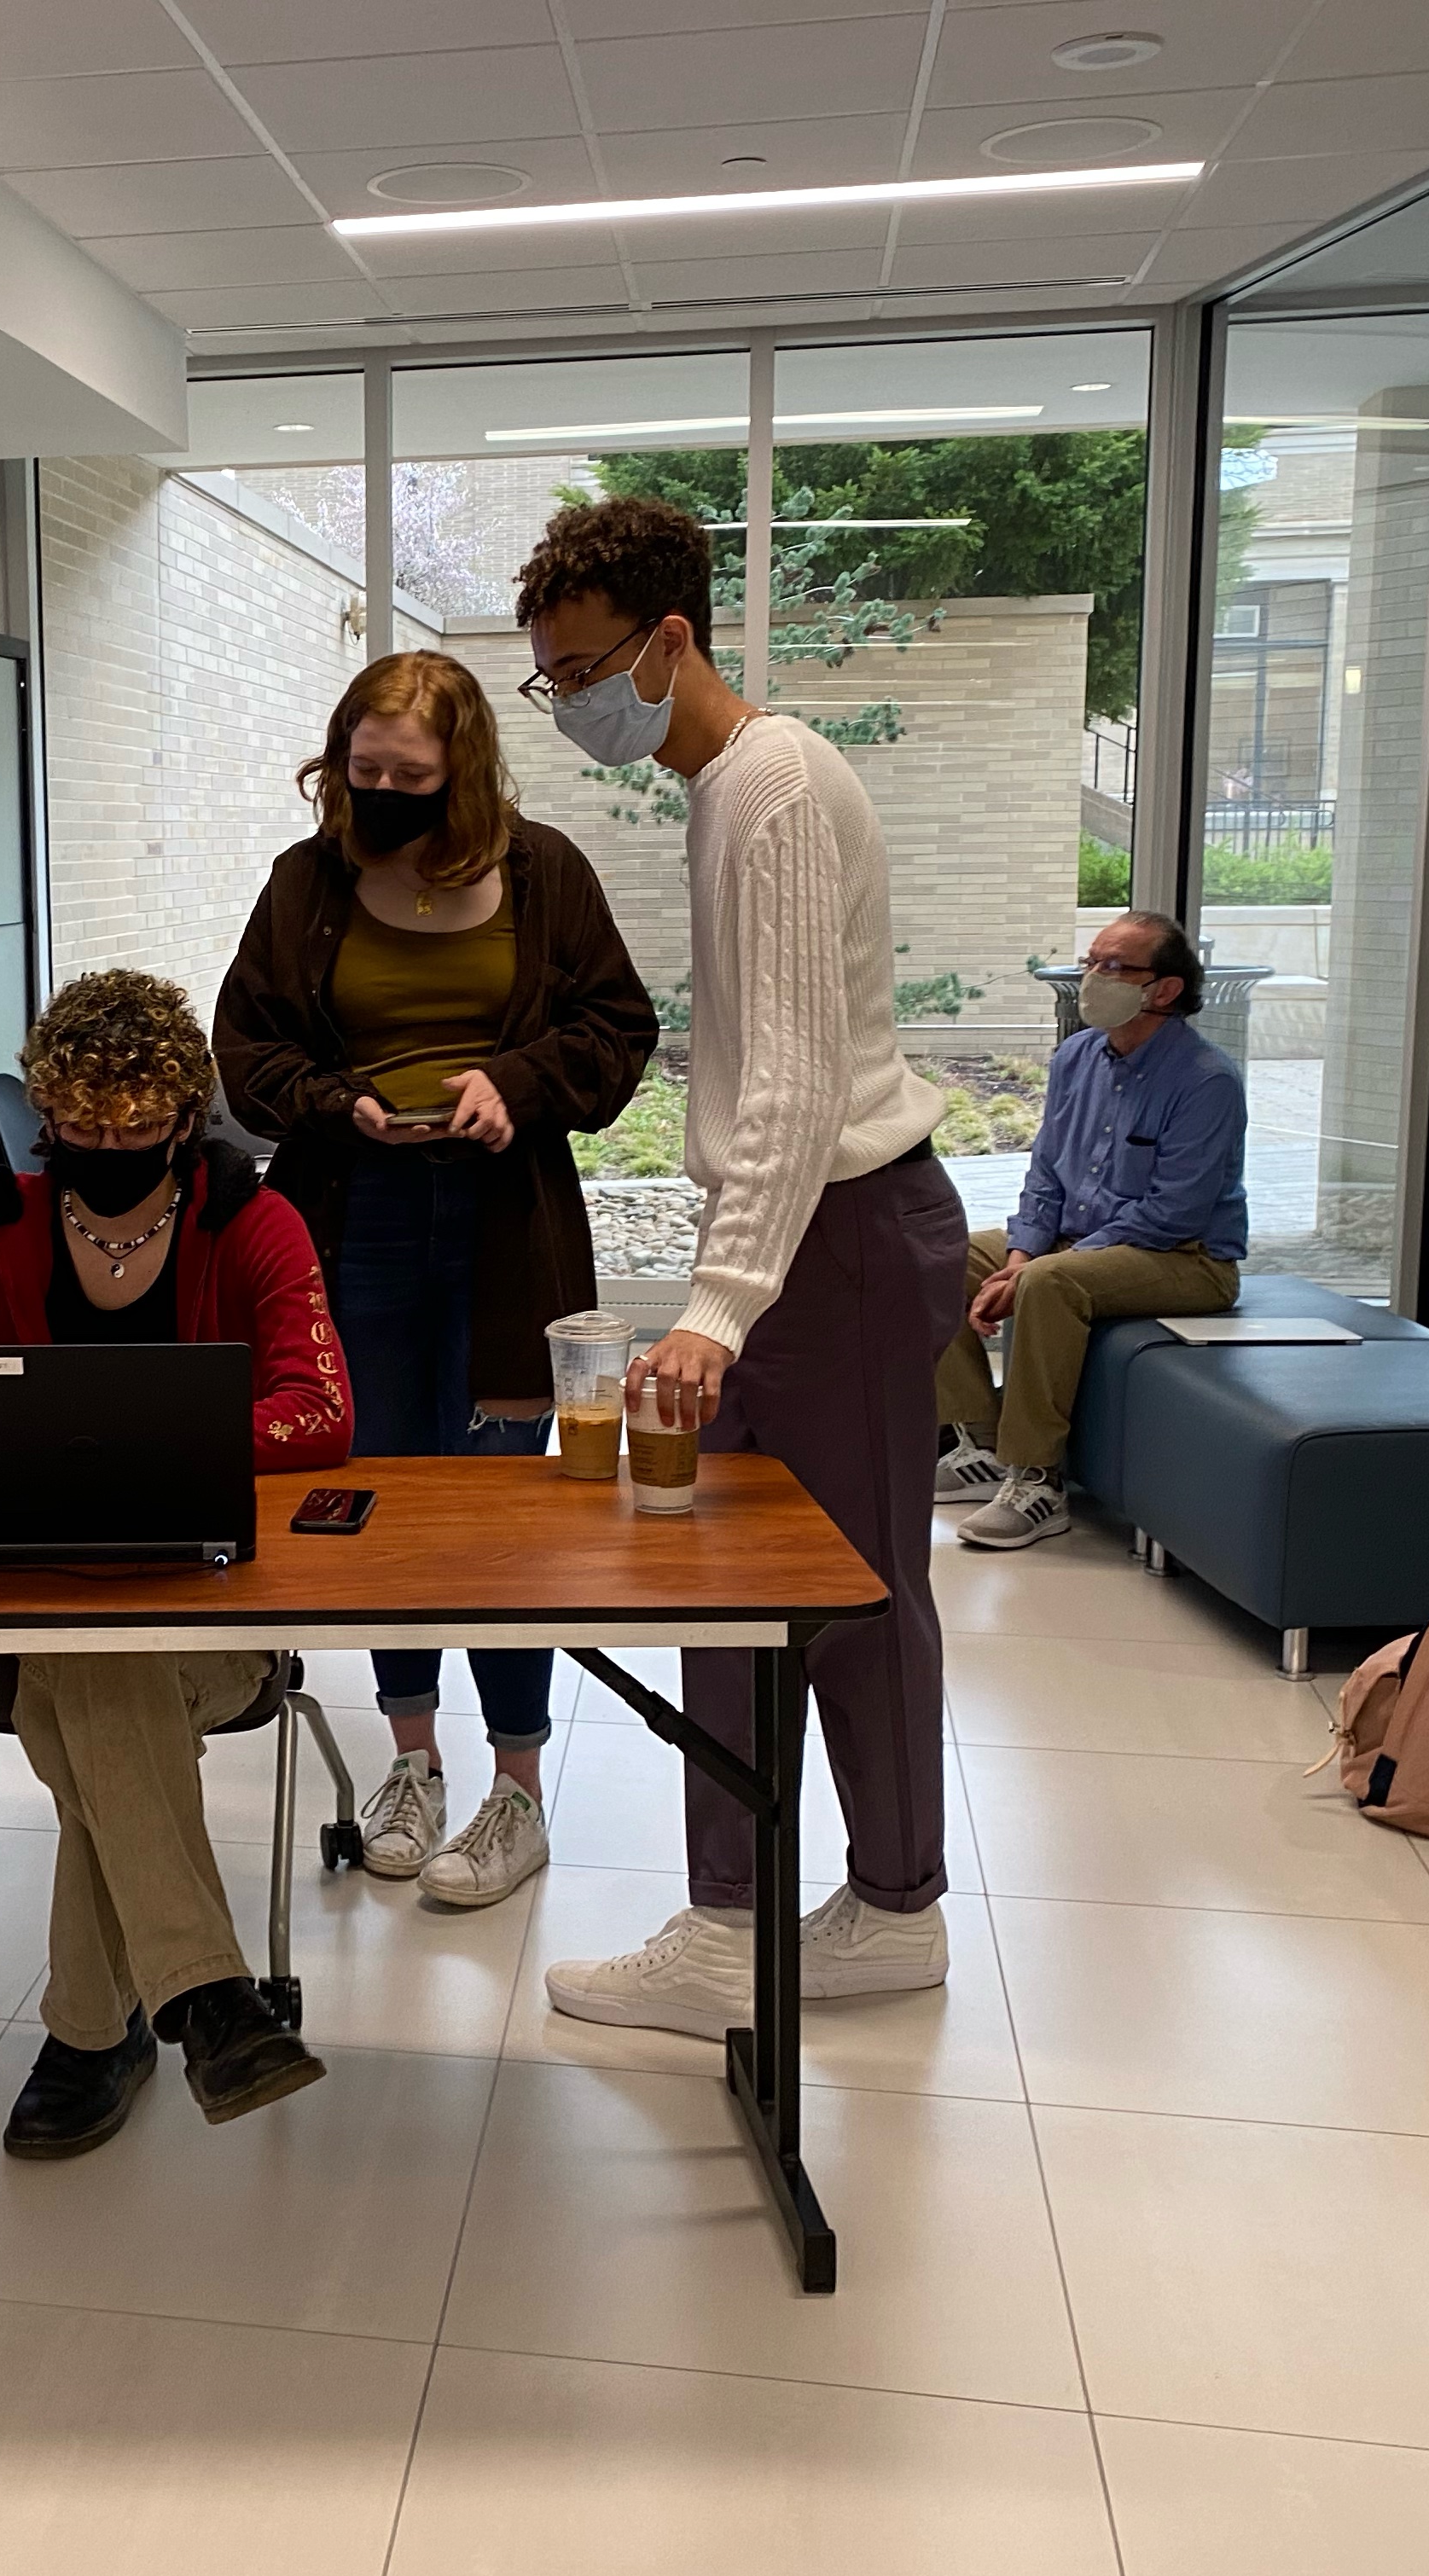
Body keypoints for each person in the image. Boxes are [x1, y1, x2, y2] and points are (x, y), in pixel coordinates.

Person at [514, 496, 974, 2039]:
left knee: (845, 1589)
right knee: (732, 1575)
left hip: (833, 1240)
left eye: (584, 668)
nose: (574, 704)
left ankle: (887, 1906)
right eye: (549, 679)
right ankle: (738, 1910)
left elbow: (785, 1079)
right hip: (824, 1235)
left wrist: (714, 1308)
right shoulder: (733, 781)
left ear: (670, 639)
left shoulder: (764, 783)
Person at [0, 971, 351, 2159]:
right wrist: (52, 1438)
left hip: (216, 1624)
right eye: (84, 1130)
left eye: (140, 1129)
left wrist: (136, 1435)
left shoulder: (255, 1221)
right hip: (37, 1614)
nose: (112, 1148)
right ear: (46, 1121)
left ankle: (100, 2031)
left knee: (100, 1689)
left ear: (186, 1118)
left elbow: (321, 1412)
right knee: (98, 1675)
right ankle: (203, 2003)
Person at [215, 652, 655, 1909]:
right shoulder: (307, 884)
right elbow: (243, 1046)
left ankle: (518, 1787)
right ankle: (414, 1762)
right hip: (352, 1217)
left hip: (507, 1223)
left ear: (463, 771)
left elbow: (618, 1027)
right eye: (366, 774)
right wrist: (329, 1103)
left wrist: (510, 1086)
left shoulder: (545, 870)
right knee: (382, 1494)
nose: (387, 795)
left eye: (412, 777)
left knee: (510, 1509)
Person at [936, 910, 1247, 1548]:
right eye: (1091, 963)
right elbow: (1046, 1172)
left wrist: (1034, 1269)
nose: (1093, 979)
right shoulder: (1077, 1056)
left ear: (1164, 990)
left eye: (1113, 967)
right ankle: (981, 1444)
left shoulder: (1206, 1080)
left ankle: (1038, 1480)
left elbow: (1174, 1212)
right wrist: (1021, 1249)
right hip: (1074, 1242)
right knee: (945, 1255)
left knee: (1052, 1282)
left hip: (1185, 1257)